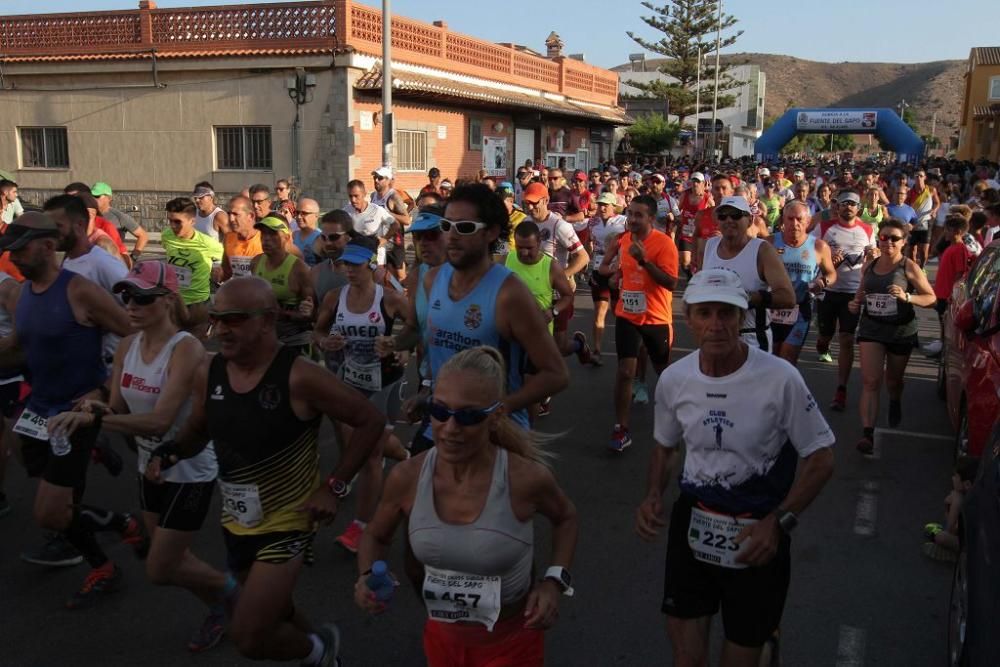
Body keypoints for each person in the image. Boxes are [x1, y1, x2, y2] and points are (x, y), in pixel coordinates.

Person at [145, 277, 386, 666]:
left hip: (288, 522)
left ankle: (320, 652)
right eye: (217, 317)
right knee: (276, 610)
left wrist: (334, 486)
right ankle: (320, 649)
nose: (221, 328)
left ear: (268, 320)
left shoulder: (299, 375)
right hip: (238, 520)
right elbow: (198, 429)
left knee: (248, 636)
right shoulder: (210, 371)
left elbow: (370, 420)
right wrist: (170, 453)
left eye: (235, 319)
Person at [636, 268, 835, 667]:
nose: (716, 325)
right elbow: (665, 444)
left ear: (742, 317)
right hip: (693, 524)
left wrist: (779, 523)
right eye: (705, 313)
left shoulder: (780, 378)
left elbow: (822, 457)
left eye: (726, 313)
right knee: (687, 660)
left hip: (759, 530)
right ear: (688, 318)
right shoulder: (675, 380)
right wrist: (654, 495)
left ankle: (763, 645)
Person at [47, 262, 233, 652]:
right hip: (148, 466)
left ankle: (240, 599)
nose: (131, 305)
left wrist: (92, 424)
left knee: (161, 566)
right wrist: (92, 408)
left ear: (167, 301)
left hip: (189, 467)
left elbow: (160, 421)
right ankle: (220, 608)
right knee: (173, 559)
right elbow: (115, 408)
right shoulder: (129, 345)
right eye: (126, 296)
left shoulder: (186, 348)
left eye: (142, 297)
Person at [354, 346, 578, 666]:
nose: (450, 428)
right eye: (441, 411)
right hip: (442, 641)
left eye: (469, 416)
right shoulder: (408, 476)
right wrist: (365, 576)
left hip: (512, 644)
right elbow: (375, 535)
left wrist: (555, 582)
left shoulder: (525, 478)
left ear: (496, 417)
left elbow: (566, 517)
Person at [0, 212, 142, 608]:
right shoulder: (23, 294)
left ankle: (121, 529)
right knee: (40, 481)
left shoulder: (80, 292)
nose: (13, 258)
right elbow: (18, 347)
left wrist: (104, 393)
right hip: (39, 407)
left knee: (49, 514)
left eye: (20, 250)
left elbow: (134, 340)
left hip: (75, 410)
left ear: (48, 246)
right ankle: (104, 563)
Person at [378, 183, 568, 436]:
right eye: (446, 226)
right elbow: (430, 341)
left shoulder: (509, 293)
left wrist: (498, 409)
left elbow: (556, 374)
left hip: (494, 434)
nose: (452, 236)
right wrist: (424, 389)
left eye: (465, 228)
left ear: (491, 233)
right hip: (444, 422)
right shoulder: (431, 279)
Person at [314, 241, 411, 552]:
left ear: (371, 265)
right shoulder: (334, 298)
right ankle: (408, 458)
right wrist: (324, 343)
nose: (350, 270)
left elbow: (417, 328)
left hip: (384, 384)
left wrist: (401, 349)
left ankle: (362, 527)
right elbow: (316, 332)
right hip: (350, 382)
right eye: (346, 265)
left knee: (369, 455)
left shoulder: (391, 299)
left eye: (356, 265)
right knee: (368, 446)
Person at [597, 194, 679, 452]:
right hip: (627, 315)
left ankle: (677, 421)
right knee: (624, 373)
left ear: (651, 218)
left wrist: (645, 261)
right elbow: (614, 269)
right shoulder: (623, 241)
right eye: (630, 213)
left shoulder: (664, 244)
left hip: (656, 317)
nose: (632, 219)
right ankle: (621, 429)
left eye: (638, 215)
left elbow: (671, 283)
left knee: (664, 374)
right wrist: (616, 276)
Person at [850, 218, 936, 454]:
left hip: (900, 331)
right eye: (884, 237)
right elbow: (861, 293)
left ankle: (895, 399)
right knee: (871, 381)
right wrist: (855, 303)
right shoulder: (869, 265)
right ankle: (867, 434)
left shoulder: (908, 267)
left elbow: (931, 297)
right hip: (871, 328)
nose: (888, 242)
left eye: (894, 238)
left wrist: (908, 298)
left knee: (893, 381)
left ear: (904, 242)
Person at [505, 221, 582, 419]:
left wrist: (553, 312)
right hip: (511, 334)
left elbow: (567, 296)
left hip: (537, 336)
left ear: (539, 242)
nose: (523, 253)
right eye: (520, 247)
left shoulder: (550, 266)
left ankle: (528, 434)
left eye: (529, 248)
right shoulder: (508, 260)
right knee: (510, 384)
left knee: (530, 389)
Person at [701, 196, 795, 352]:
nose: (729, 220)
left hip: (752, 340)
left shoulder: (762, 250)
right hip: (715, 337)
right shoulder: (710, 245)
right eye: (723, 216)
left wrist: (750, 298)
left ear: (750, 220)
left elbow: (788, 298)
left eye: (736, 215)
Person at [815, 190, 877, 411]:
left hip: (852, 292)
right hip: (828, 291)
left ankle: (841, 389)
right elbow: (812, 257)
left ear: (858, 208)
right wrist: (829, 261)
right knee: (825, 337)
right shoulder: (824, 228)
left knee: (847, 339)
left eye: (853, 204)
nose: (848, 207)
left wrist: (873, 257)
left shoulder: (867, 229)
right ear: (837, 206)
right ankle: (822, 345)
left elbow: (873, 257)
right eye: (844, 204)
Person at [770, 202, 837, 365]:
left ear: (808, 221)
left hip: (800, 309)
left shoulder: (818, 246)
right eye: (790, 219)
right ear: (783, 221)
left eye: (799, 219)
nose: (794, 223)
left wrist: (822, 282)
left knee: (787, 359)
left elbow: (832, 273)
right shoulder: (769, 242)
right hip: (771, 308)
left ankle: (785, 390)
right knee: (770, 359)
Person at [249, 216, 315, 354]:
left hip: (293, 340)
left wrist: (283, 313)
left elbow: (309, 315)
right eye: (263, 234)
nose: (266, 239)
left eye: (272, 234)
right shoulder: (255, 262)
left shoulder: (299, 269)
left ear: (286, 237)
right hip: (264, 336)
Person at [161, 197, 224, 339]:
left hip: (198, 304)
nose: (173, 226)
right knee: (172, 346)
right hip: (174, 301)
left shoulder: (207, 243)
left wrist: (218, 267)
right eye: (170, 220)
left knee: (194, 347)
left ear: (192, 221)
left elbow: (225, 257)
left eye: (178, 222)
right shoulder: (166, 236)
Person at [586, 192, 628, 363]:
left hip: (617, 271)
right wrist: (586, 264)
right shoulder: (592, 222)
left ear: (613, 206)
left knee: (619, 313)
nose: (602, 208)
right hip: (598, 269)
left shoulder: (623, 221)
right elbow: (588, 243)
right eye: (600, 204)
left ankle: (624, 351)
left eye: (606, 205)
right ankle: (596, 350)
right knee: (599, 313)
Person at [370, 167, 412, 280]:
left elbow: (407, 220)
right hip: (378, 243)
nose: (376, 181)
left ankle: (405, 296)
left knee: (400, 277)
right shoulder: (373, 196)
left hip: (394, 244)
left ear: (388, 180)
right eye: (375, 178)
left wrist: (387, 213)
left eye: (380, 178)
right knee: (376, 273)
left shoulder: (394, 197)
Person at [91, 182, 148, 263]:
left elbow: (143, 236)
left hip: (114, 264)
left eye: (97, 196)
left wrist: (133, 258)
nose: (93, 199)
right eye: (91, 196)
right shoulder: (88, 214)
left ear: (109, 198)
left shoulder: (119, 217)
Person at [311, 210, 352, 305]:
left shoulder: (368, 273)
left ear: (349, 237)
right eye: (323, 237)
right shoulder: (315, 272)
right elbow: (314, 310)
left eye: (334, 237)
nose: (328, 243)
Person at [676, 172, 712, 276]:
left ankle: (694, 278)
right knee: (685, 261)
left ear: (702, 183)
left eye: (698, 181)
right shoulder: (685, 194)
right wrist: (678, 219)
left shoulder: (707, 197)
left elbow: (714, 213)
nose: (695, 184)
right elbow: (677, 210)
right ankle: (690, 276)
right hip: (686, 233)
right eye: (693, 181)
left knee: (698, 260)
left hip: (700, 234)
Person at [222, 196, 263, 281]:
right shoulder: (228, 238)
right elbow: (226, 273)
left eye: (236, 214)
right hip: (238, 291)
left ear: (251, 216)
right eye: (229, 214)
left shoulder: (265, 239)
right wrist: (218, 274)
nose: (231, 219)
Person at [904, 170, 939, 267]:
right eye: (916, 176)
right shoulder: (910, 193)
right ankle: (914, 269)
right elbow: (906, 207)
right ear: (914, 178)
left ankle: (922, 268)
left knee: (923, 251)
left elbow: (937, 202)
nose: (918, 178)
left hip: (926, 222)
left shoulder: (931, 190)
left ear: (925, 177)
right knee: (911, 251)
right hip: (913, 223)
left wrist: (934, 210)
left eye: (921, 176)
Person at [292, 198, 323, 267]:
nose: (299, 217)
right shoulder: (293, 235)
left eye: (304, 213)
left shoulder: (321, 238)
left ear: (316, 215)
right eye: (297, 213)